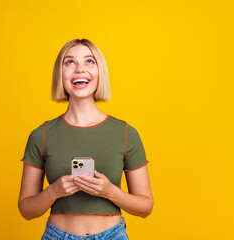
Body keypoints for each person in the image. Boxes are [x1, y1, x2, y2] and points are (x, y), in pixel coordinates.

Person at [18, 39, 154, 240]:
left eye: (89, 61)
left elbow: (145, 207)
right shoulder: (41, 135)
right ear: (60, 74)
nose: (80, 69)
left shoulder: (126, 133)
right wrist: (54, 191)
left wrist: (109, 192)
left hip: (113, 235)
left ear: (100, 73)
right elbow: (26, 210)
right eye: (70, 62)